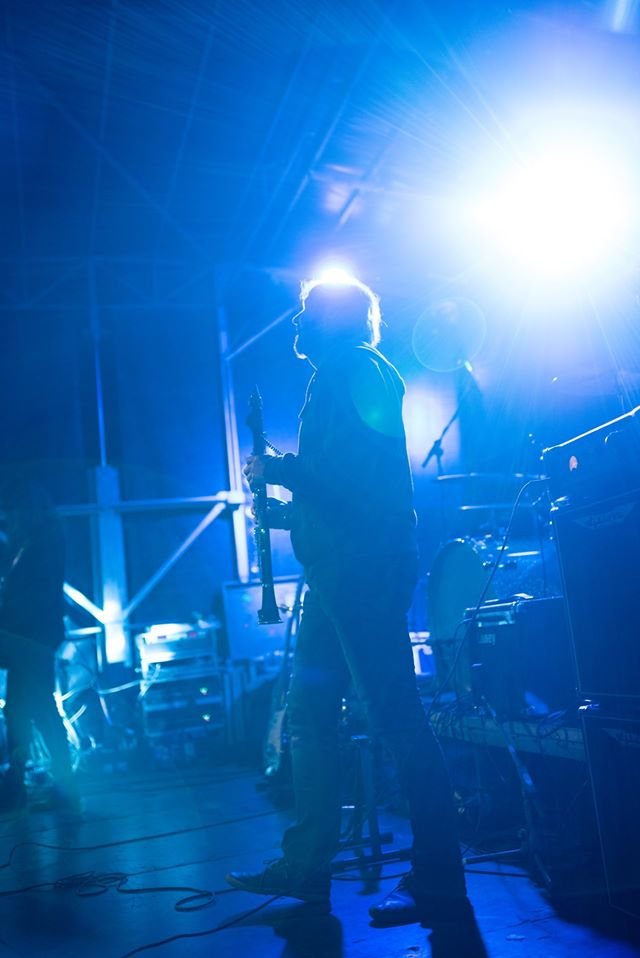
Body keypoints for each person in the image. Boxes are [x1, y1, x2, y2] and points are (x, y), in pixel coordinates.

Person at [226, 277, 470, 925]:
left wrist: (280, 470)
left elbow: (350, 483)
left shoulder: (358, 372)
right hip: (339, 575)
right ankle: (307, 866)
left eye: (307, 312)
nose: (296, 323)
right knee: (309, 715)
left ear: (336, 320)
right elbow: (340, 498)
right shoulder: (339, 375)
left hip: (361, 575)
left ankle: (439, 875)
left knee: (393, 716)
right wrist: (286, 514)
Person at [0, 479, 77, 812]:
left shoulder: (40, 545)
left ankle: (32, 786)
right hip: (32, 640)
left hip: (29, 640)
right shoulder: (41, 541)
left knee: (33, 711)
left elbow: (31, 597)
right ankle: (43, 785)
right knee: (26, 710)